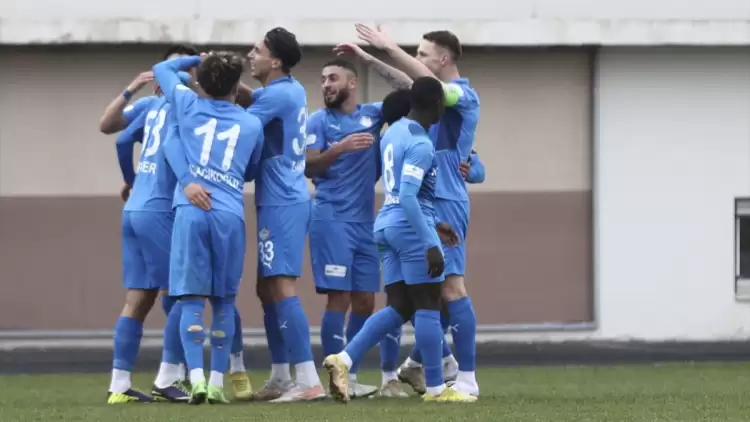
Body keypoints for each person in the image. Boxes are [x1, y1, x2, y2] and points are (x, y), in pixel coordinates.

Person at [339, 26, 481, 396]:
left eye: (422, 53)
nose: (415, 59)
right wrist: (369, 58)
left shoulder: (464, 95)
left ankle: (465, 379)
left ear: (444, 59)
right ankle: (423, 366)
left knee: (451, 290)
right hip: (420, 203)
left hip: (445, 199)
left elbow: (428, 86)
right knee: (415, 299)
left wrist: (388, 47)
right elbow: (410, 84)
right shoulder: (419, 116)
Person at [154, 51, 264, 405]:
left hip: (191, 210)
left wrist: (195, 58)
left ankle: (196, 379)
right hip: (228, 213)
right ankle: (217, 382)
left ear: (200, 81)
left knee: (189, 299)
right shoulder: (252, 123)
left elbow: (161, 68)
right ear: (236, 86)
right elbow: (252, 169)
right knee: (224, 301)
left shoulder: (187, 103)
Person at [103, 44, 199, 405]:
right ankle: (168, 377)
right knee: (182, 294)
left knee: (139, 299)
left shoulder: (154, 107)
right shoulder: (187, 106)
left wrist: (132, 180)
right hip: (160, 209)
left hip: (135, 209)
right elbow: (109, 126)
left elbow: (121, 140)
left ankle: (119, 385)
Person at [305, 60, 404, 399]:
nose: (325, 84)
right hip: (331, 218)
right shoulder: (318, 121)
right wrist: (339, 148)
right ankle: (332, 380)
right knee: (340, 297)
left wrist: (370, 55)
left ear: (352, 83)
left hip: (365, 222)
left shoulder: (373, 114)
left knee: (365, 301)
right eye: (322, 79)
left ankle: (351, 372)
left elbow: (409, 89)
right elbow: (308, 165)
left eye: (332, 78)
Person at [245, 27, 325, 403]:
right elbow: (251, 98)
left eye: (257, 50)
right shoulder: (289, 89)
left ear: (275, 60)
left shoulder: (276, 95)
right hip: (281, 197)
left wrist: (204, 91)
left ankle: (308, 380)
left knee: (281, 286)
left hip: (283, 201)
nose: (250, 55)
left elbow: (241, 123)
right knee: (266, 288)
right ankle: (280, 376)